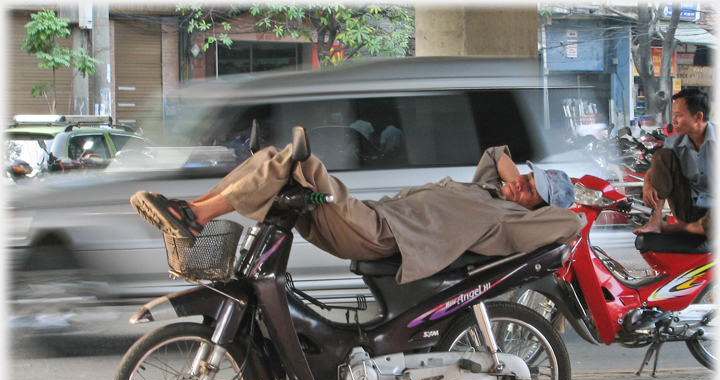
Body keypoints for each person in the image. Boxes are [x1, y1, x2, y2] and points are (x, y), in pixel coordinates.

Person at [131, 145, 584, 284]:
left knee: (303, 163)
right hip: (367, 217)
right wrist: (521, 181)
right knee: (275, 155)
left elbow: (572, 223)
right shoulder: (492, 189)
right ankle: (192, 213)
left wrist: (550, 198)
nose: (519, 184)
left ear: (537, 208)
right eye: (526, 177)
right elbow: (496, 152)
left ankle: (192, 217)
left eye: (531, 190)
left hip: (380, 232)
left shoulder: (510, 218)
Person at [633, 89, 714, 237]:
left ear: (698, 117)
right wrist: (647, 183)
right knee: (661, 155)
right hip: (688, 208)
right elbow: (658, 168)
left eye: (679, 115)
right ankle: (655, 222)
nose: (673, 121)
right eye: (674, 115)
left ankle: (678, 228)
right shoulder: (674, 143)